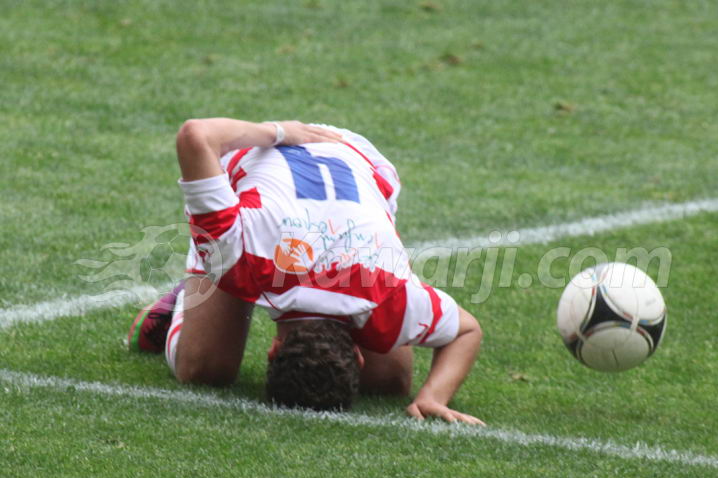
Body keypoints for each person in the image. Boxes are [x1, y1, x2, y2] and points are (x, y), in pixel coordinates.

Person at [127, 118, 484, 425]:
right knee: (204, 370)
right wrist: (278, 134)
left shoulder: (392, 298)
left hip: (351, 165)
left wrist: (434, 396)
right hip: (266, 161)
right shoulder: (240, 258)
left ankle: (195, 292)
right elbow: (195, 136)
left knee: (389, 380)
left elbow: (467, 331)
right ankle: (181, 299)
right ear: (272, 348)